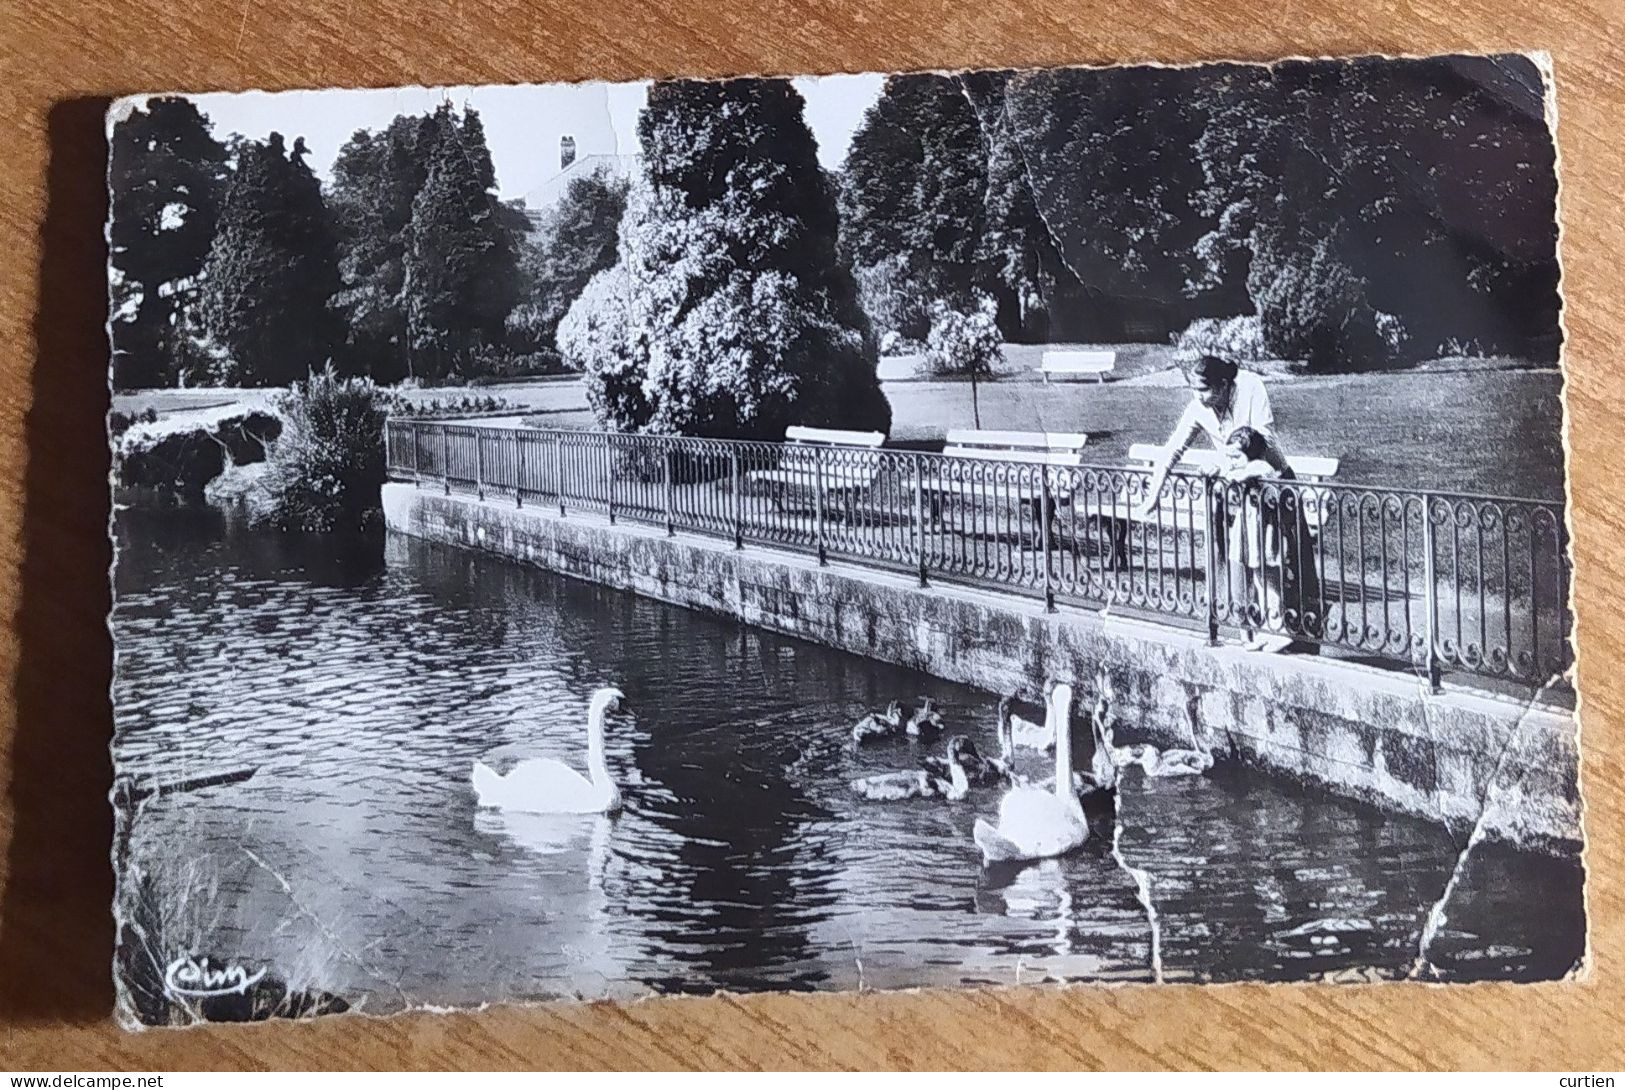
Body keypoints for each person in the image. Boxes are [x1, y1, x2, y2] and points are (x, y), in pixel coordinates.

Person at [1221, 426, 1321, 650]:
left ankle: (1280, 629)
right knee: (1259, 579)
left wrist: (1235, 472)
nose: (1233, 461)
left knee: (1271, 580)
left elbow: (1249, 472)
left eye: (1237, 456)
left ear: (1253, 453)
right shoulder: (1246, 466)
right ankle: (1267, 627)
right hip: (1249, 529)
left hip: (1265, 531)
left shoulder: (1261, 466)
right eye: (1231, 456)